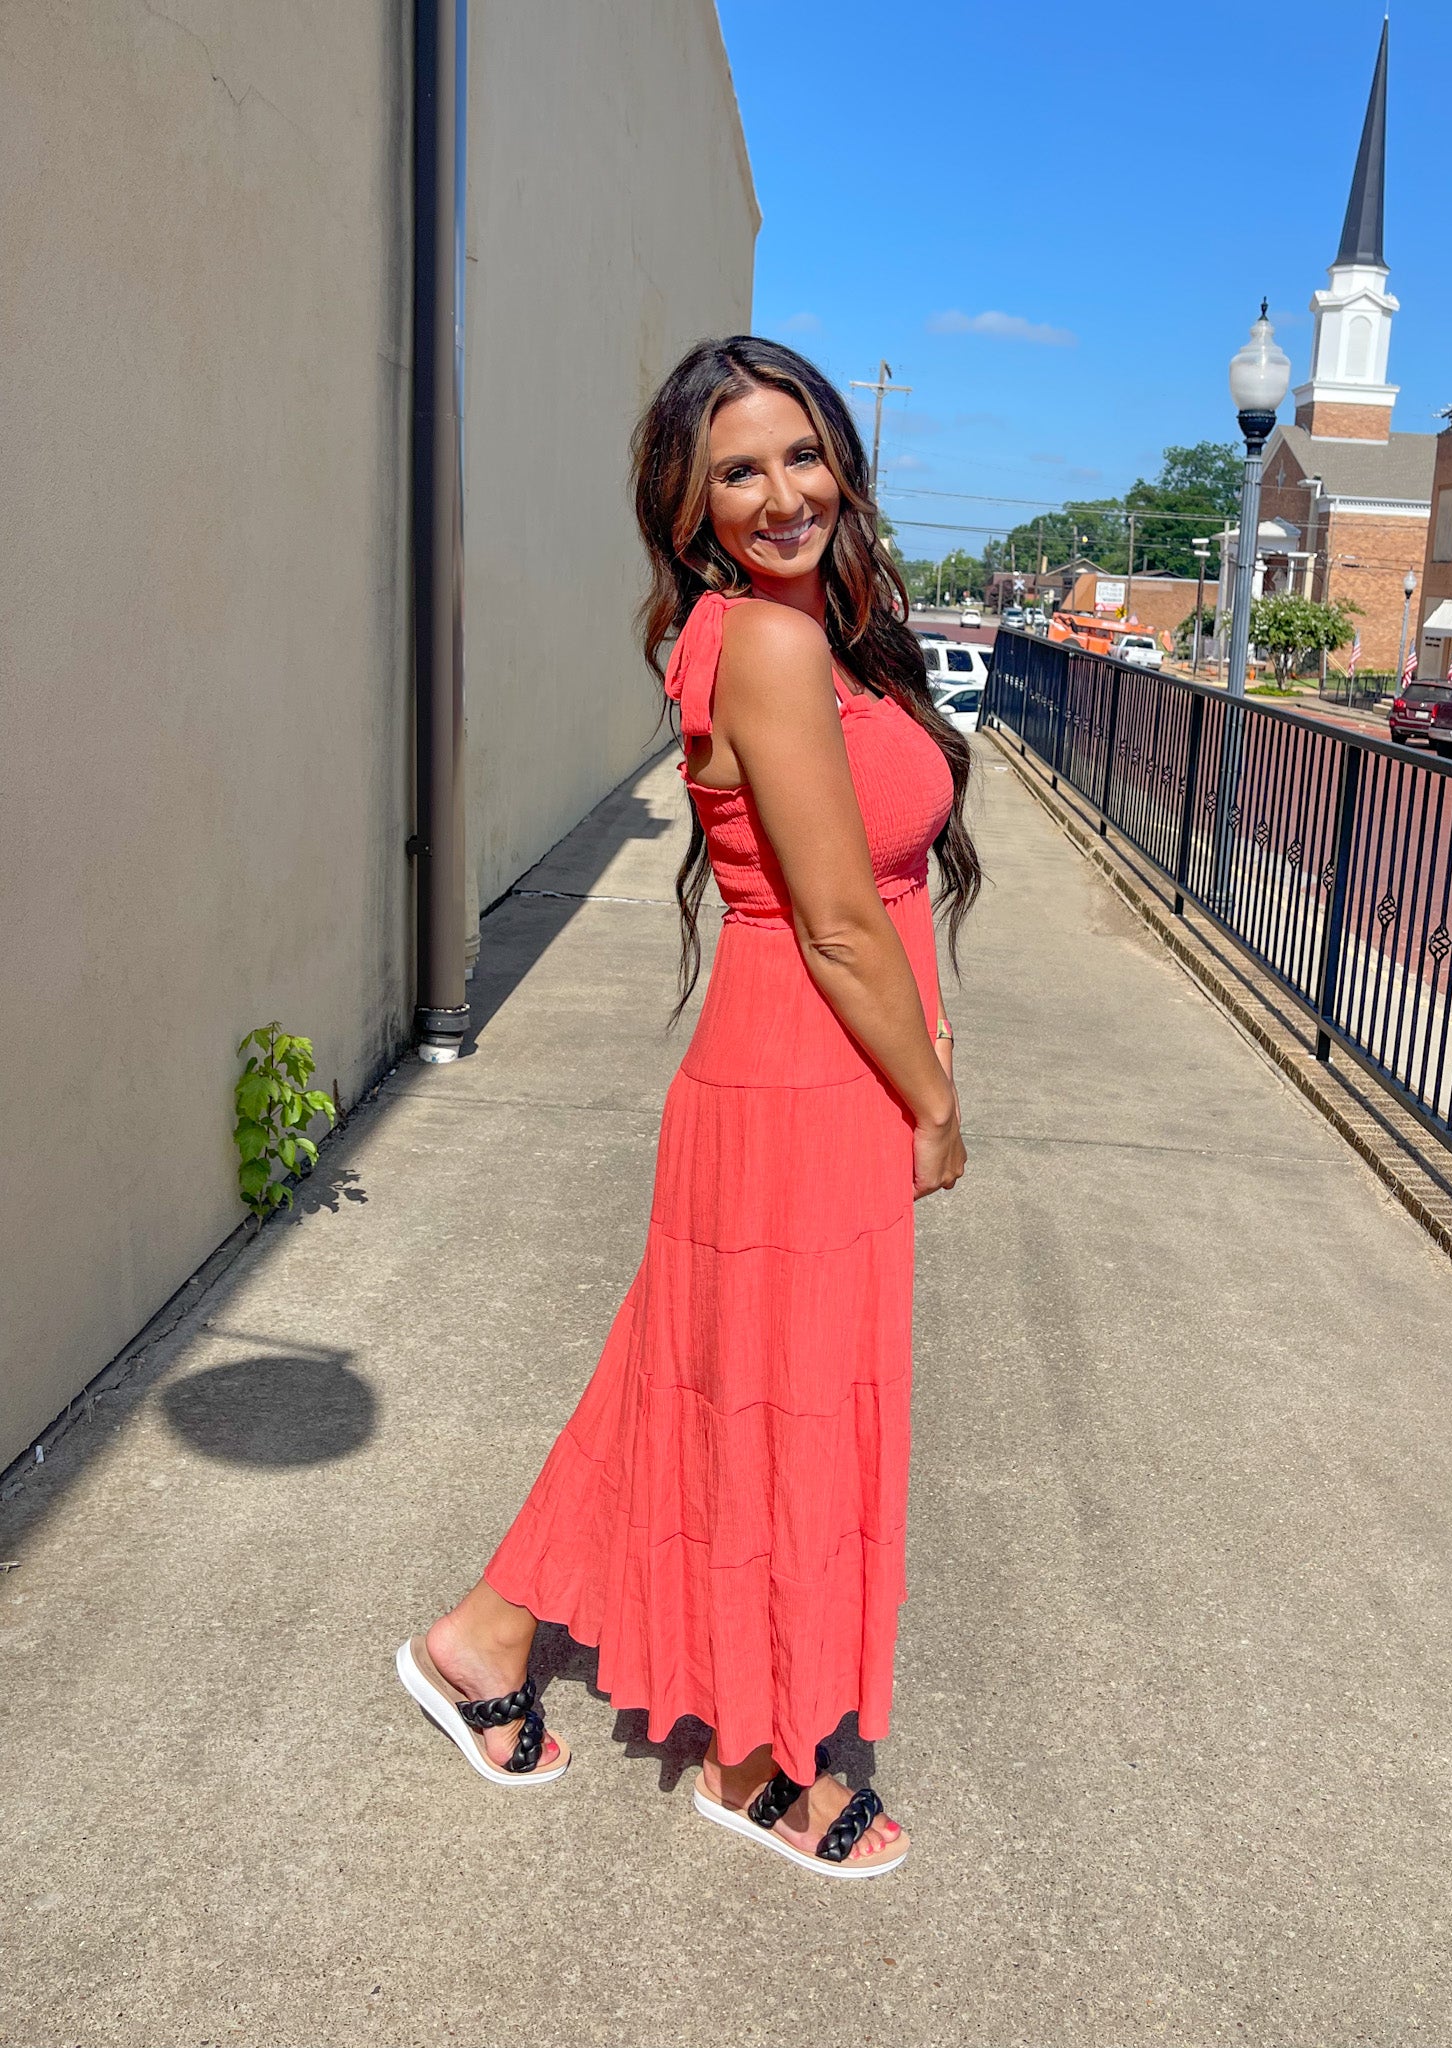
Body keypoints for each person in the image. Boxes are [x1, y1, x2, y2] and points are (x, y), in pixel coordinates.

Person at [397, 335, 980, 1880]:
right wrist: (933, 1101)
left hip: (781, 1058)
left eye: (804, 455)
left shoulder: (782, 630)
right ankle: (752, 1765)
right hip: (811, 1069)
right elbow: (844, 923)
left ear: (843, 460)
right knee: (784, 1409)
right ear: (691, 498)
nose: (784, 492)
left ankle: (479, 1638)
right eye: (741, 469)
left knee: (687, 1380)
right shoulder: (775, 648)